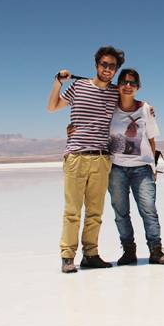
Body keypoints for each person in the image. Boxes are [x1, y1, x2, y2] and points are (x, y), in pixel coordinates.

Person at [46, 46, 123, 273]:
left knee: (95, 211)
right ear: (96, 65)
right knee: (72, 211)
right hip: (76, 157)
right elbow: (52, 107)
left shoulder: (115, 92)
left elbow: (130, 108)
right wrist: (58, 81)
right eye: (104, 65)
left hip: (101, 158)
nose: (108, 69)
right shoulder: (78, 86)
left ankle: (91, 254)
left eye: (112, 66)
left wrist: (148, 110)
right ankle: (67, 257)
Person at [108, 68, 164, 265]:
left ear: (138, 87)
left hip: (142, 168)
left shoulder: (145, 109)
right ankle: (128, 251)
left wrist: (152, 166)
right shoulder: (109, 108)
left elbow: (151, 139)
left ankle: (156, 250)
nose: (128, 86)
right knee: (121, 212)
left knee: (148, 209)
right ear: (118, 85)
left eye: (132, 83)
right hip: (116, 168)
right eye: (124, 82)